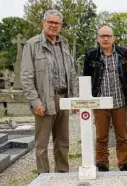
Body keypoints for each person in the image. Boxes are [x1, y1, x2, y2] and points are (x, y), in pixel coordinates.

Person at [20, 10, 79, 174]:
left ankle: (62, 173)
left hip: (64, 98)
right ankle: (43, 177)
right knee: (41, 144)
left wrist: (75, 98)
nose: (53, 25)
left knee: (63, 141)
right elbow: (26, 76)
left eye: (57, 23)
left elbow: (72, 73)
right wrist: (35, 101)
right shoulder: (33, 45)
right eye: (50, 22)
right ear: (43, 23)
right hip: (44, 100)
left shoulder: (64, 44)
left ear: (61, 25)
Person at [83, 25, 127, 171]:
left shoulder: (123, 53)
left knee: (122, 136)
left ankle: (123, 163)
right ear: (98, 38)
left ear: (114, 38)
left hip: (120, 101)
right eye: (102, 36)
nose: (105, 39)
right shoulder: (91, 55)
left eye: (108, 36)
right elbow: (87, 77)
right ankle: (102, 163)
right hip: (99, 101)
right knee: (101, 136)